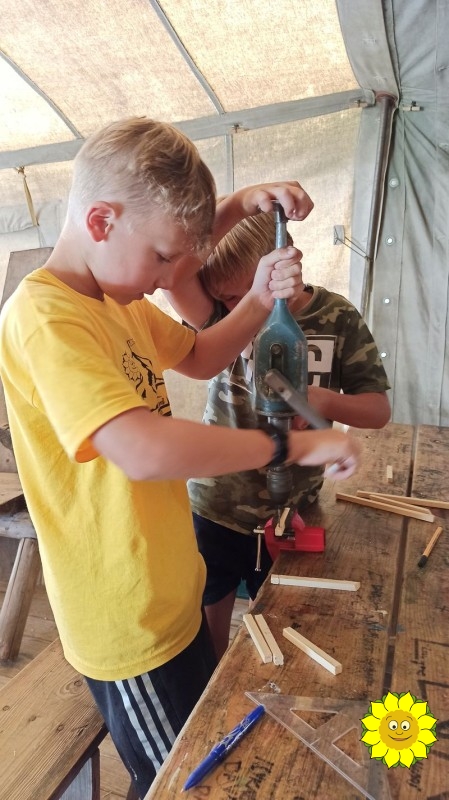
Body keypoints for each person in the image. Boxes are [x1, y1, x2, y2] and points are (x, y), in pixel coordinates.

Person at [0, 118, 361, 798]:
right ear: (100, 221)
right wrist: (291, 443)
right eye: (164, 259)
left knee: (199, 757)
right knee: (180, 783)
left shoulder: (118, 301)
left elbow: (200, 354)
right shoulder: (47, 317)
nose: (172, 281)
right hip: (125, 622)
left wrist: (257, 295)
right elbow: (140, 449)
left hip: (171, 591)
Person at [165, 209, 390, 661]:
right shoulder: (221, 316)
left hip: (291, 516)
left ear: (280, 267)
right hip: (215, 507)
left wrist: (323, 401)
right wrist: (240, 202)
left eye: (238, 294)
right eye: (225, 299)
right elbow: (173, 277)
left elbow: (377, 410)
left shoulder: (336, 318)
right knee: (209, 631)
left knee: (283, 631)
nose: (235, 308)